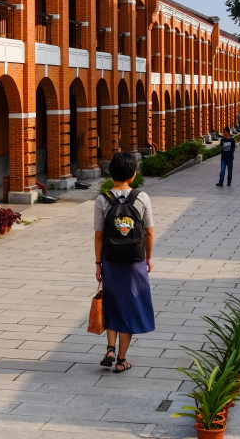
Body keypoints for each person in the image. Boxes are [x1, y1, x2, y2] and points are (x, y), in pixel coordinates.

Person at [94, 152, 154, 373]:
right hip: (134, 261)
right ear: (133, 173)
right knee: (129, 307)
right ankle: (121, 361)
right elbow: (148, 232)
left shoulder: (102, 200)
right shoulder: (142, 198)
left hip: (110, 260)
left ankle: (109, 348)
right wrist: (148, 258)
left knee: (112, 303)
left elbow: (99, 236)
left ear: (111, 173)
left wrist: (98, 264)